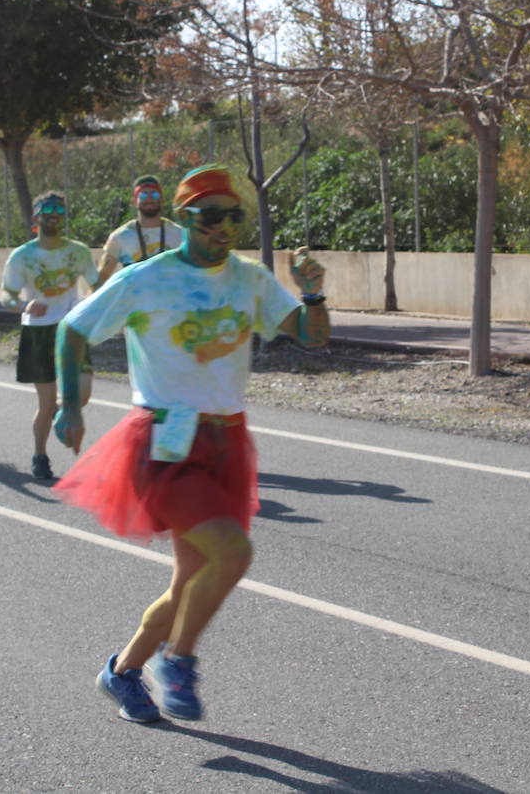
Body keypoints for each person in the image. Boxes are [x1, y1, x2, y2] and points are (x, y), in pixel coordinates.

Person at [52, 164, 330, 722]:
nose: (223, 227)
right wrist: (68, 403)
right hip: (164, 442)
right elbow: (73, 328)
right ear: (186, 220)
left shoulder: (249, 279)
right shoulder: (146, 278)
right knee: (233, 552)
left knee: (188, 585)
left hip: (226, 442)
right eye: (209, 217)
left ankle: (122, 671)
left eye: (233, 216)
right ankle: (177, 660)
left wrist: (314, 293)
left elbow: (308, 335)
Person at [0, 191, 99, 480]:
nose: (53, 213)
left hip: (72, 329)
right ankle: (40, 456)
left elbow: (96, 284)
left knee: (82, 393)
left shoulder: (79, 252)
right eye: (47, 209)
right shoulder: (23, 255)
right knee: (45, 403)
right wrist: (23, 305)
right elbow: (6, 294)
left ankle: (61, 412)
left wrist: (91, 303)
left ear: (65, 216)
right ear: (36, 217)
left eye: (59, 209)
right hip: (38, 332)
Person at [96, 175, 183, 287]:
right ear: (134, 201)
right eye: (143, 195)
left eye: (155, 194)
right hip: (134, 302)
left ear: (162, 199)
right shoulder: (121, 236)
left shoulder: (180, 234)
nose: (149, 199)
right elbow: (103, 276)